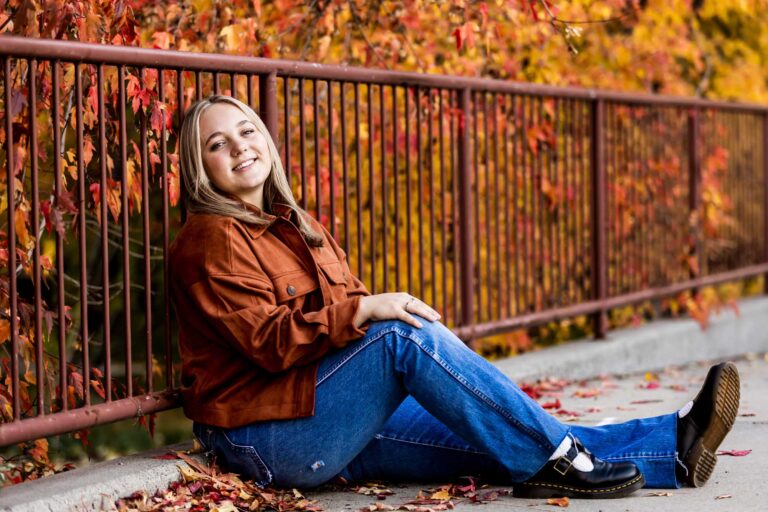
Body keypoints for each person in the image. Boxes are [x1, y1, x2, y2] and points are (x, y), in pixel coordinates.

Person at [169, 95, 741, 499]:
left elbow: (344, 317)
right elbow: (271, 344)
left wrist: (362, 314)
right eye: (219, 144)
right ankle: (563, 460)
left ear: (264, 139)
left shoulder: (295, 222)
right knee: (398, 335)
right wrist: (367, 311)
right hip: (269, 438)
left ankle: (673, 447)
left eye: (247, 131)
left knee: (493, 429)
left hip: (323, 411)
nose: (240, 147)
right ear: (203, 168)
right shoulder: (210, 239)